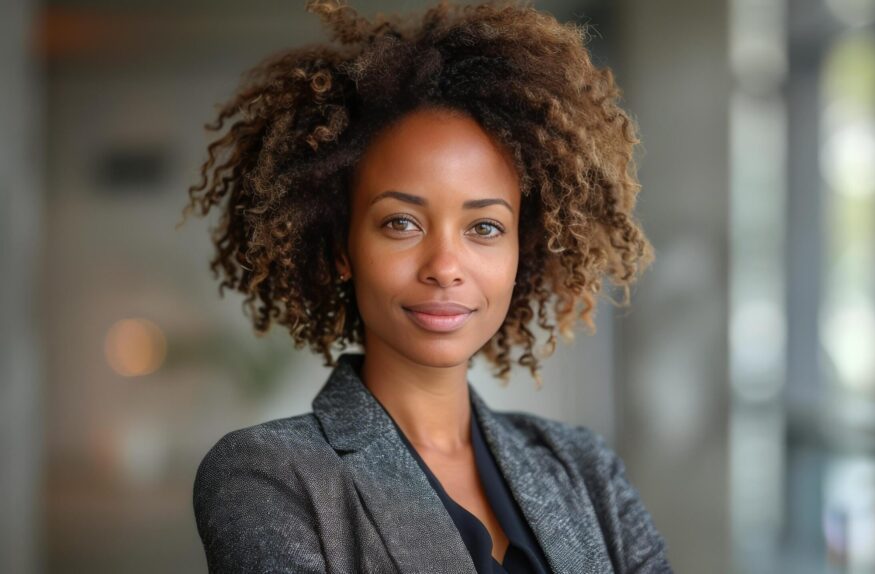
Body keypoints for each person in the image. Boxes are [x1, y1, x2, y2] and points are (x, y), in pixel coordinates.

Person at [183, 0, 670, 572]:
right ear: (342, 249)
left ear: (522, 253)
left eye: (485, 227)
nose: (445, 265)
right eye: (401, 223)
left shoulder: (584, 468)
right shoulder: (266, 476)